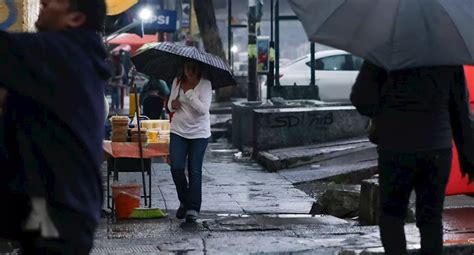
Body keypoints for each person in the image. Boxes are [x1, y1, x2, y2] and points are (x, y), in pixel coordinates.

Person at [0, 0, 110, 254]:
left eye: (56, 1)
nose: (44, 2)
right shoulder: (71, 59)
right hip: (54, 207)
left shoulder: (62, 53)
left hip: (60, 211)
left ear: (75, 18)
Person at [351, 61, 474, 255]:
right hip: (436, 148)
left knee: (392, 215)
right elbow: (460, 111)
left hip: (395, 146)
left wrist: (385, 108)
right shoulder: (448, 56)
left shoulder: (384, 52)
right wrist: (469, 157)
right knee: (431, 218)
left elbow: (361, 98)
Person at [167, 60, 212, 223]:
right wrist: (172, 104)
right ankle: (184, 200)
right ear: (183, 68)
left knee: (194, 170)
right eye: (187, 68)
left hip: (199, 133)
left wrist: (190, 93)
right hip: (178, 130)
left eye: (193, 68)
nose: (190, 72)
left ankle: (193, 208)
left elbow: (203, 110)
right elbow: (170, 105)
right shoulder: (177, 81)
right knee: (176, 167)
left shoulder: (205, 85)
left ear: (199, 69)